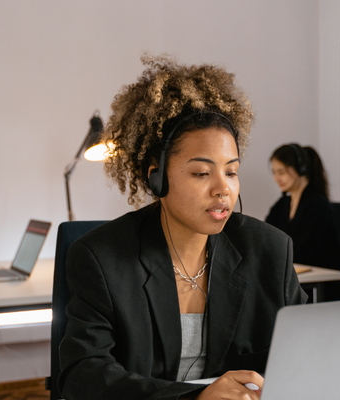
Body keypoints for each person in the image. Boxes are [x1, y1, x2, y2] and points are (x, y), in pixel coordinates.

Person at [58, 55, 307, 400]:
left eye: (231, 172)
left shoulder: (270, 251)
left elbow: (306, 354)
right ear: (156, 178)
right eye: (202, 173)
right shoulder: (101, 258)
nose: (223, 189)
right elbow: (83, 373)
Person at [265, 144, 338, 270]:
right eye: (274, 173)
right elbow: (265, 235)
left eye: (281, 172)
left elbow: (305, 253)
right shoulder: (283, 203)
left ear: (301, 169)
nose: (276, 178)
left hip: (318, 279)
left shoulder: (318, 205)